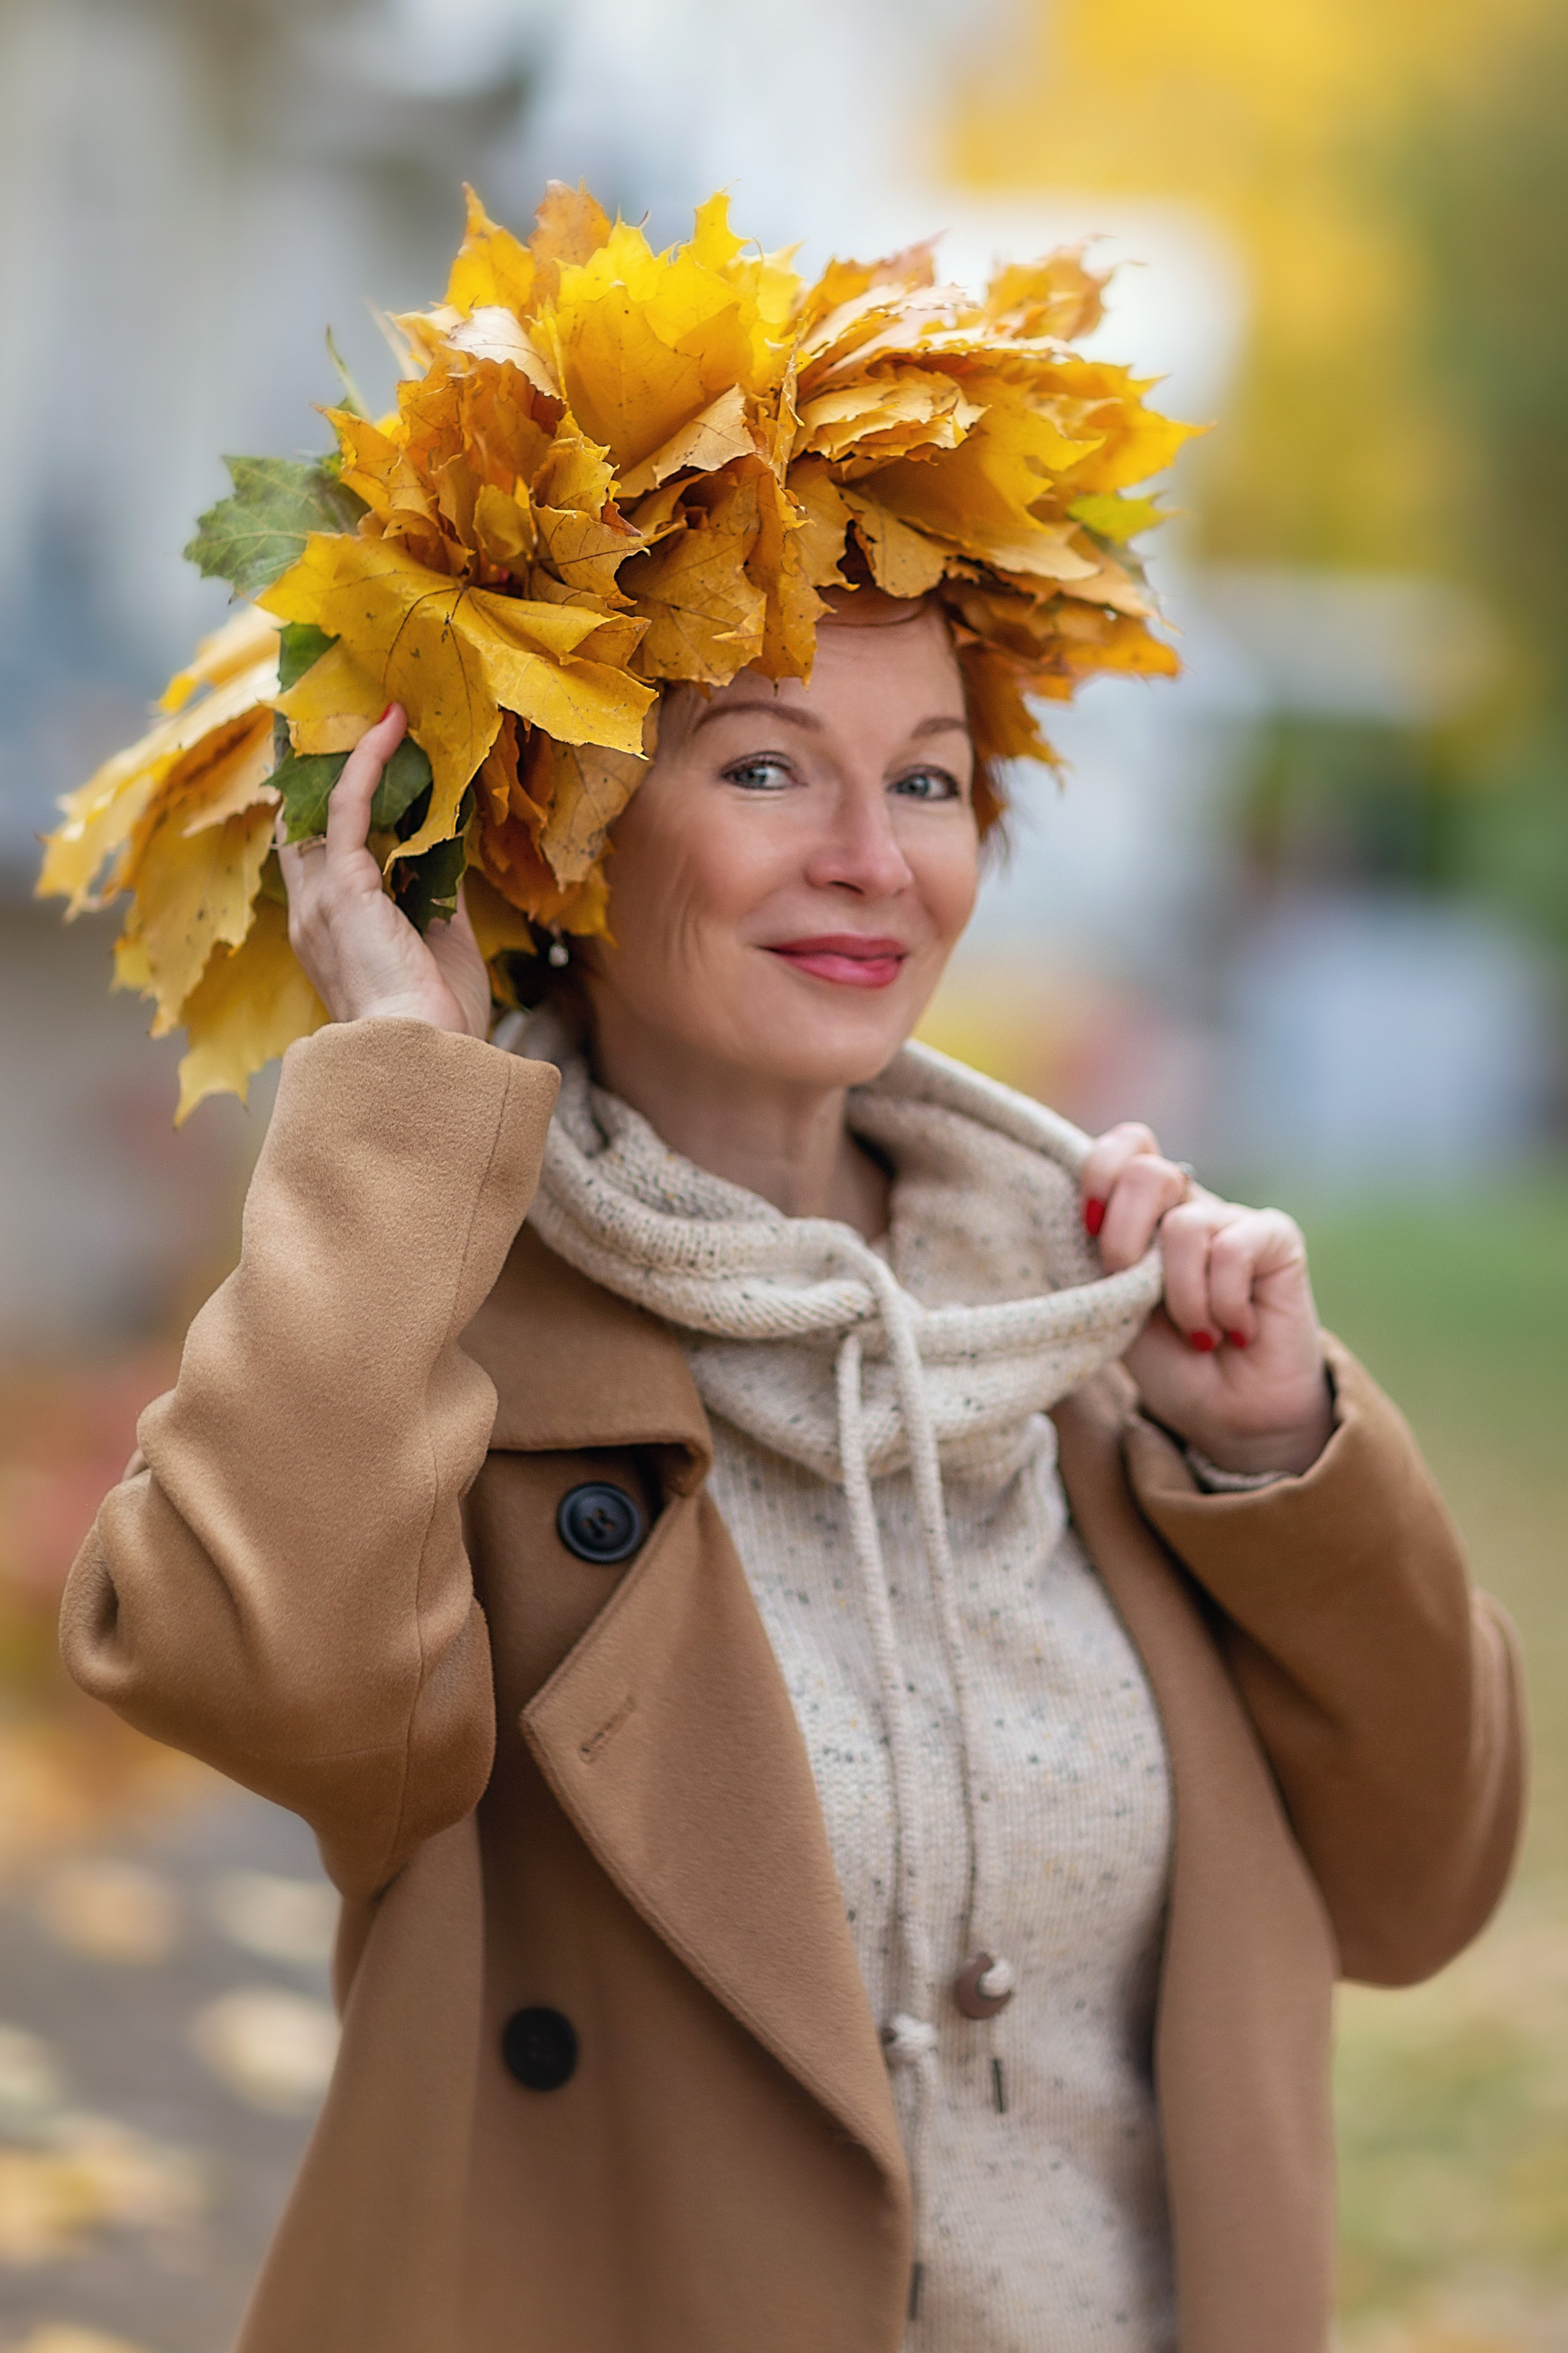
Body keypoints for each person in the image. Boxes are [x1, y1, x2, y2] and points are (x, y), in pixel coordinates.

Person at [61, 586, 1523, 2353]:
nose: (872, 860)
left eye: (929, 782)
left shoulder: (1085, 1327)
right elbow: (247, 1669)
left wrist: (1281, 1453)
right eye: (766, 766)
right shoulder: (432, 1344)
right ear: (561, 831)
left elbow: (1424, 1879)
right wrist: (399, 1087)